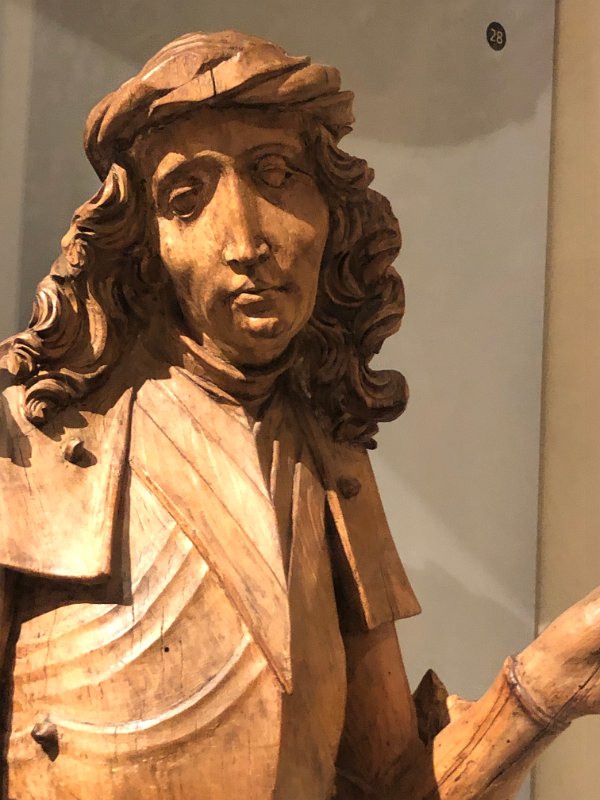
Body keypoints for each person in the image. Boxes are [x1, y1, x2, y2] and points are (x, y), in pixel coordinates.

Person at [0, 31, 598, 800]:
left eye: (277, 176)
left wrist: (550, 681)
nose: (246, 241)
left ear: (336, 212)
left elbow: (392, 787)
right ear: (144, 244)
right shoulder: (33, 444)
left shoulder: (332, 465)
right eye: (187, 199)